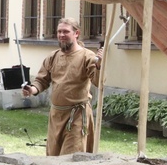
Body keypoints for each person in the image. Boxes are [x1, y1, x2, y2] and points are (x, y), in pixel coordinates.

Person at [21, 17, 104, 156]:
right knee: (53, 157)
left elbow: (98, 81)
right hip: (56, 115)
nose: (61, 35)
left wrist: (99, 64)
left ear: (76, 33)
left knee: (71, 158)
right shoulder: (53, 57)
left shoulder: (87, 56)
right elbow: (41, 81)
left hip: (77, 116)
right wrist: (31, 90)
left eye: (65, 32)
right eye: (59, 32)